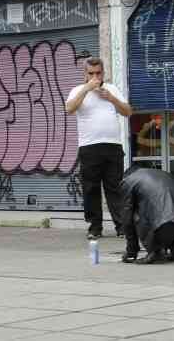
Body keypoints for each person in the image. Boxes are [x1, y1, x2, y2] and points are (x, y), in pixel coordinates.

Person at [65, 57, 133, 240]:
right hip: (89, 147)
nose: (95, 76)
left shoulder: (112, 89)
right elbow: (69, 109)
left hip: (112, 145)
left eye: (98, 73)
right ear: (85, 74)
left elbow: (128, 111)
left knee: (115, 188)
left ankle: (121, 226)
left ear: (103, 72)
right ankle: (95, 227)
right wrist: (87, 89)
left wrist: (111, 98)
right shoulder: (78, 90)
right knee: (90, 188)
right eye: (91, 73)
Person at [119, 164, 174, 264]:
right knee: (165, 214)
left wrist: (131, 251)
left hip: (164, 226)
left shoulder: (128, 181)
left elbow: (126, 218)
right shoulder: (163, 174)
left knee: (135, 214)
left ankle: (155, 252)